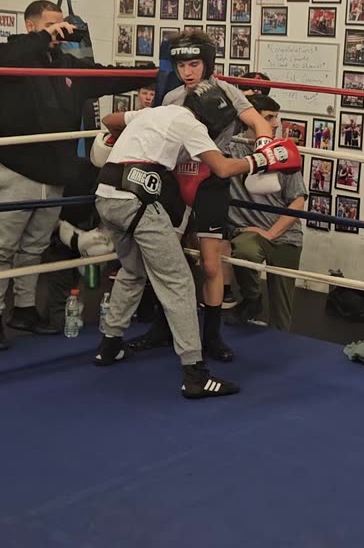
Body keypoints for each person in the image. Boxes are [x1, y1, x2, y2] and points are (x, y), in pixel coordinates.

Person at [88, 96, 301, 398]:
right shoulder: (192, 125)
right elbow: (224, 168)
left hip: (105, 195)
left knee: (134, 269)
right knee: (179, 283)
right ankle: (195, 375)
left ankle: (108, 346)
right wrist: (261, 160)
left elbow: (109, 121)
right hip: (136, 202)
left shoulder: (155, 112)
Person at [0, 0, 148, 351]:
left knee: (35, 246)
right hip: (17, 167)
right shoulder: (14, 54)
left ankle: (24, 310)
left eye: (62, 26)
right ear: (31, 26)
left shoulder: (68, 64)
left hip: (54, 170)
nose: (60, 32)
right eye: (51, 25)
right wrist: (44, 38)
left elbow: (107, 76)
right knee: (4, 247)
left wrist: (157, 72)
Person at [140, 30, 273, 361]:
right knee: (165, 259)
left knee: (211, 265)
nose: (188, 71)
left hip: (211, 179)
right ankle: (161, 326)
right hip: (175, 178)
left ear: (207, 63)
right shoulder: (171, 98)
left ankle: (212, 336)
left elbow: (258, 121)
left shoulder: (227, 92)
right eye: (182, 64)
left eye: (195, 63)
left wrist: (265, 146)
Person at [225, 94, 306, 330]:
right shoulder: (229, 148)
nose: (275, 124)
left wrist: (270, 233)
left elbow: (298, 202)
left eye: (276, 118)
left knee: (282, 316)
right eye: (269, 117)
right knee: (245, 252)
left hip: (285, 235)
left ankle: (279, 349)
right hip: (249, 232)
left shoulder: (281, 152)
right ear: (251, 119)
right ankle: (252, 299)